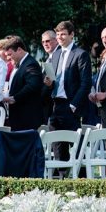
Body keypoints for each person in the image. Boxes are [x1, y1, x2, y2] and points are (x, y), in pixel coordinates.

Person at [44, 20, 91, 153]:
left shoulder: (81, 54)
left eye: (63, 34)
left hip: (71, 106)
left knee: (76, 146)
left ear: (72, 35)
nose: (59, 37)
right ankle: (60, 174)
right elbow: (54, 80)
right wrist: (49, 84)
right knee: (57, 145)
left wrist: (74, 105)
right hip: (55, 105)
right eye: (58, 34)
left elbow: (86, 83)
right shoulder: (56, 54)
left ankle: (82, 172)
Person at [2, 35, 45, 131]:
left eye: (10, 54)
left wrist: (15, 98)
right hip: (19, 116)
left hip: (27, 117)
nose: (8, 58)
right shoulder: (21, 64)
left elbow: (32, 86)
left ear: (19, 50)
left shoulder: (30, 64)